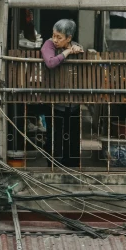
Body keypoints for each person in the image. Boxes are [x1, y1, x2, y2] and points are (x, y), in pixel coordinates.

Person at [39, 19, 83, 167]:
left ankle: (72, 165)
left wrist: (76, 48)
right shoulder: (48, 45)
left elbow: (81, 51)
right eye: (54, 35)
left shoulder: (74, 45)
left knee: (73, 135)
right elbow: (50, 63)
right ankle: (53, 165)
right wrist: (67, 52)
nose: (55, 40)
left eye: (60, 37)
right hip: (54, 100)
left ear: (69, 38)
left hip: (72, 101)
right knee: (54, 136)